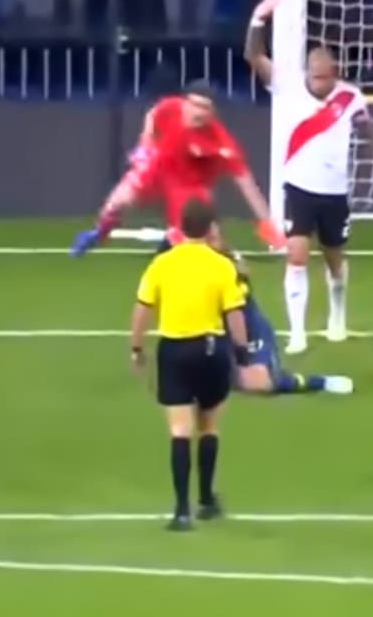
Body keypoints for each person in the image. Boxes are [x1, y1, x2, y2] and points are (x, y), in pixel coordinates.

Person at [245, 0, 373, 355]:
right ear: (308, 72)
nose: (322, 84)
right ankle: (298, 333)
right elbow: (254, 56)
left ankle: (337, 317)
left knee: (335, 260)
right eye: (317, 77)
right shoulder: (286, 85)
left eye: (327, 77)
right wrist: (260, 18)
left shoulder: (350, 97)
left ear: (335, 74)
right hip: (300, 189)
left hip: (335, 193)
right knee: (297, 256)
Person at [130, 198, 248, 531]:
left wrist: (137, 348)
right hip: (211, 349)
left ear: (181, 228)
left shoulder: (162, 264)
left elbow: (142, 309)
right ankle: (207, 499)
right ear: (211, 228)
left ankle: (182, 511)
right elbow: (234, 313)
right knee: (208, 425)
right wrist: (242, 352)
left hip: (174, 351)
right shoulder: (222, 265)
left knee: (180, 430)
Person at [71, 82, 284, 256]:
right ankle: (100, 233)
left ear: (213, 113)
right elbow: (153, 114)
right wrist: (145, 142)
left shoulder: (221, 142)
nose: (198, 112)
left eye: (205, 107)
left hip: (189, 185)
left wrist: (266, 224)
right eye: (194, 104)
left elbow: (246, 183)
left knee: (210, 242)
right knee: (115, 203)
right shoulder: (171, 107)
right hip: (158, 166)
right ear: (184, 103)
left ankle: (236, 289)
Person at [225, 251, 354, 396]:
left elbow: (235, 312)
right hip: (204, 326)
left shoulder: (219, 260)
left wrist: (242, 352)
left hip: (243, 322)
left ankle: (314, 382)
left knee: (260, 382)